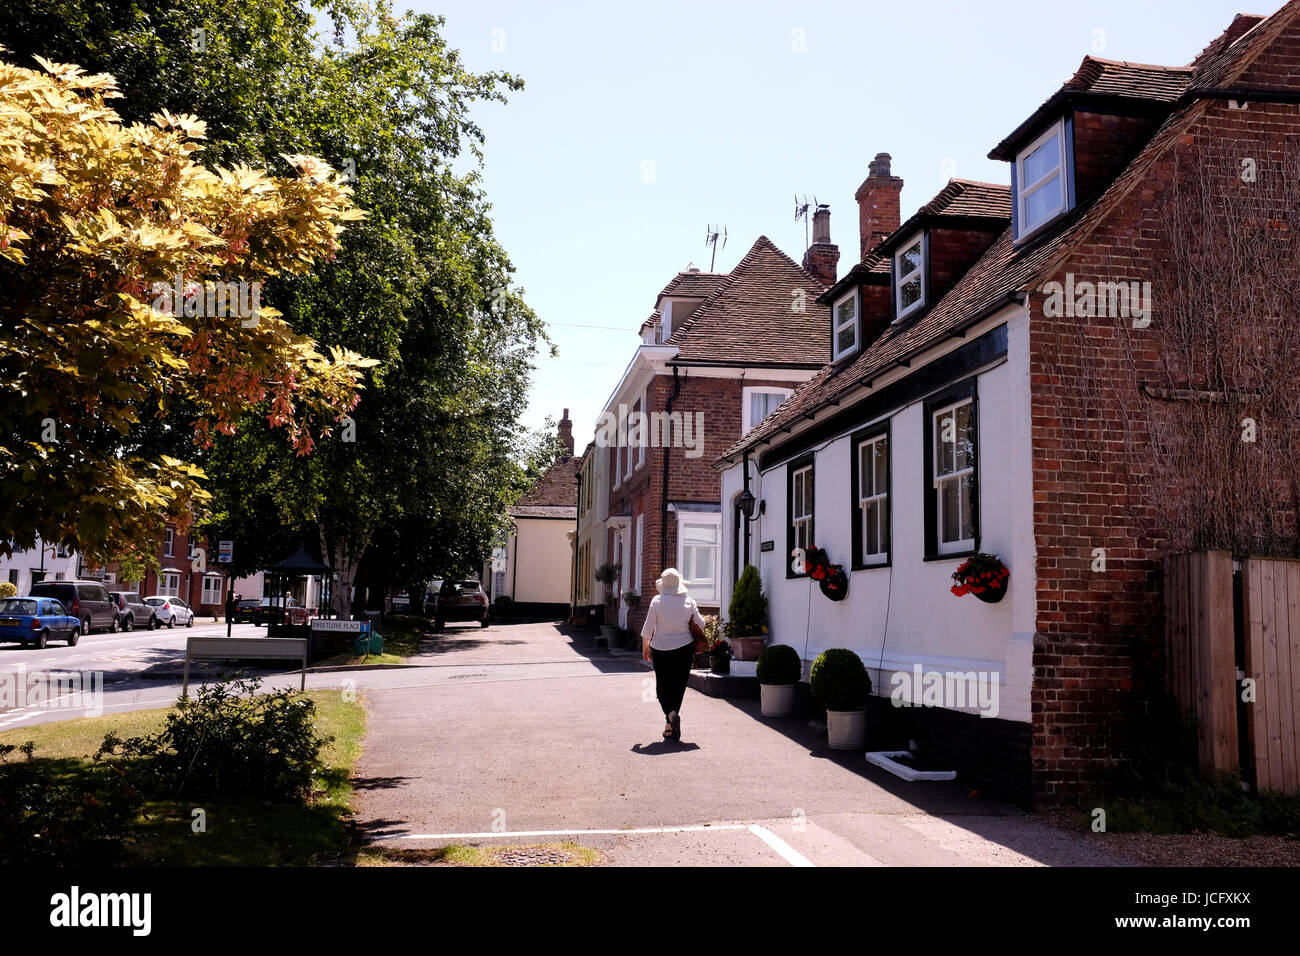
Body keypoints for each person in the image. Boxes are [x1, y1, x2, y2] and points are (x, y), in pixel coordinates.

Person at [640, 567, 704, 741]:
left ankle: (671, 717)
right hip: (684, 649)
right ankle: (671, 721)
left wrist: (645, 647)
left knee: (662, 688)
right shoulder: (689, 600)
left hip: (661, 649)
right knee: (678, 687)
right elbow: (702, 624)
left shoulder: (656, 601)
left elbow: (647, 628)